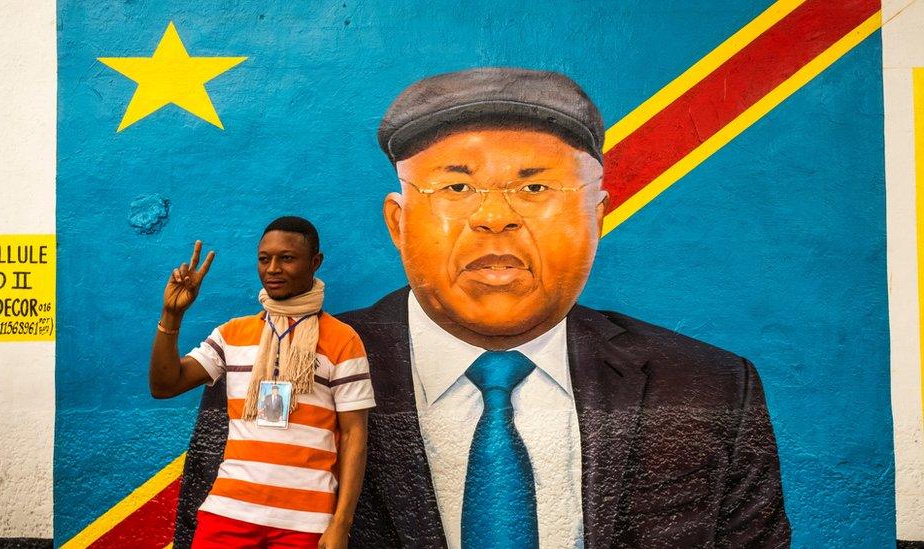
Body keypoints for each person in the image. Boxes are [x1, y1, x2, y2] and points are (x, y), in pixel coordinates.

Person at [178, 68, 790, 548]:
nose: (494, 216)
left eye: (534, 187)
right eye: (456, 187)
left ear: (596, 215)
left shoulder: (709, 387)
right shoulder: (266, 360)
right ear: (399, 222)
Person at [150, 216, 374, 549]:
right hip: (229, 512)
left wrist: (341, 523)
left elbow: (355, 434)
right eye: (264, 258)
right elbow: (165, 385)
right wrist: (172, 314)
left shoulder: (343, 341)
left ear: (315, 263)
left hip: (305, 522)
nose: (272, 268)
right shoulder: (232, 335)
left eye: (287, 258)